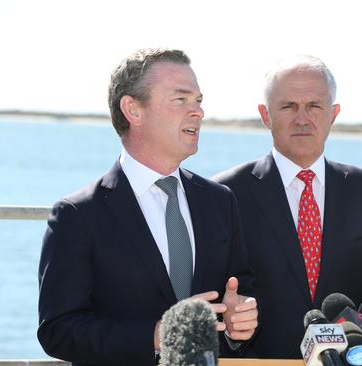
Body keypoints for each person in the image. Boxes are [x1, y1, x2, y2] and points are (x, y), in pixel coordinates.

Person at [38, 48, 258, 365]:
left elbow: (240, 294)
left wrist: (241, 322)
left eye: (198, 100)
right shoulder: (77, 215)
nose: (198, 112)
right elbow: (58, 331)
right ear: (133, 109)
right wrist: (158, 334)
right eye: (181, 99)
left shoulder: (220, 201)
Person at [213, 55, 362, 358]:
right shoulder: (223, 194)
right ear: (265, 115)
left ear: (333, 114)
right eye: (288, 106)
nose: (302, 118)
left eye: (314, 106)